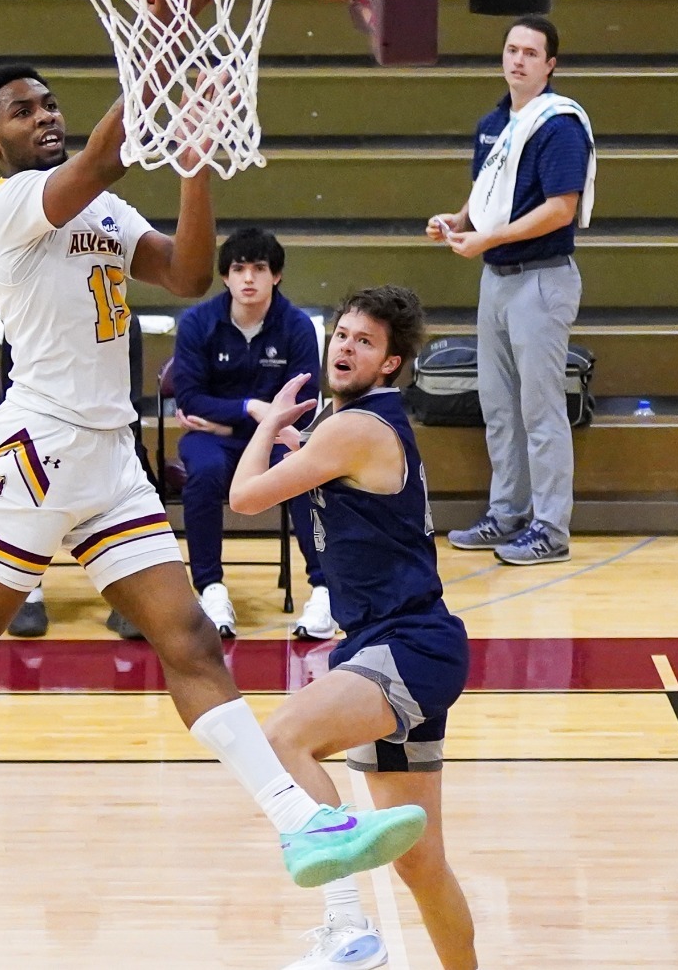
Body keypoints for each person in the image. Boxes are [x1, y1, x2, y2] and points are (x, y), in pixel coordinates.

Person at [0, 64, 431, 897]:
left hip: (108, 455)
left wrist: (194, 160)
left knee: (191, 640)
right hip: (39, 448)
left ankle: (299, 822)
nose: (44, 114)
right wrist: (164, 58)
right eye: (23, 110)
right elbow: (103, 155)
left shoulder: (101, 208)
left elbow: (186, 274)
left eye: (50, 102)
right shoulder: (14, 203)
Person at [231, 286, 477, 970]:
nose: (345, 346)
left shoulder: (356, 427)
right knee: (423, 864)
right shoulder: (349, 430)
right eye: (341, 333)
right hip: (402, 648)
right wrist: (297, 443)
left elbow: (245, 496)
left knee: (281, 737)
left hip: (406, 645)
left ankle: (348, 931)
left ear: (391, 362)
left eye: (364, 341)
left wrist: (267, 425)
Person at [426, 14, 594, 566]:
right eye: (511, 49)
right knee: (498, 405)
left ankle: (551, 527)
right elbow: (488, 194)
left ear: (551, 65)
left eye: (530, 52)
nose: (517, 59)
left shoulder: (558, 124)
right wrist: (457, 219)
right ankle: (508, 512)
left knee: (540, 410)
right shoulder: (494, 122)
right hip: (495, 279)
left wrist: (489, 236)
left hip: (540, 280)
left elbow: (560, 208)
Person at [168, 227, 332, 640]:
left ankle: (326, 591)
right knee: (202, 472)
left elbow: (304, 398)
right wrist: (251, 408)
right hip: (214, 439)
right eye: (238, 269)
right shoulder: (197, 323)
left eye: (259, 269)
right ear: (225, 276)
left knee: (300, 468)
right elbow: (188, 397)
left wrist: (231, 417)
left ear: (275, 275)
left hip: (274, 437)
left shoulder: (296, 327)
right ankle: (211, 589)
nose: (248, 279)